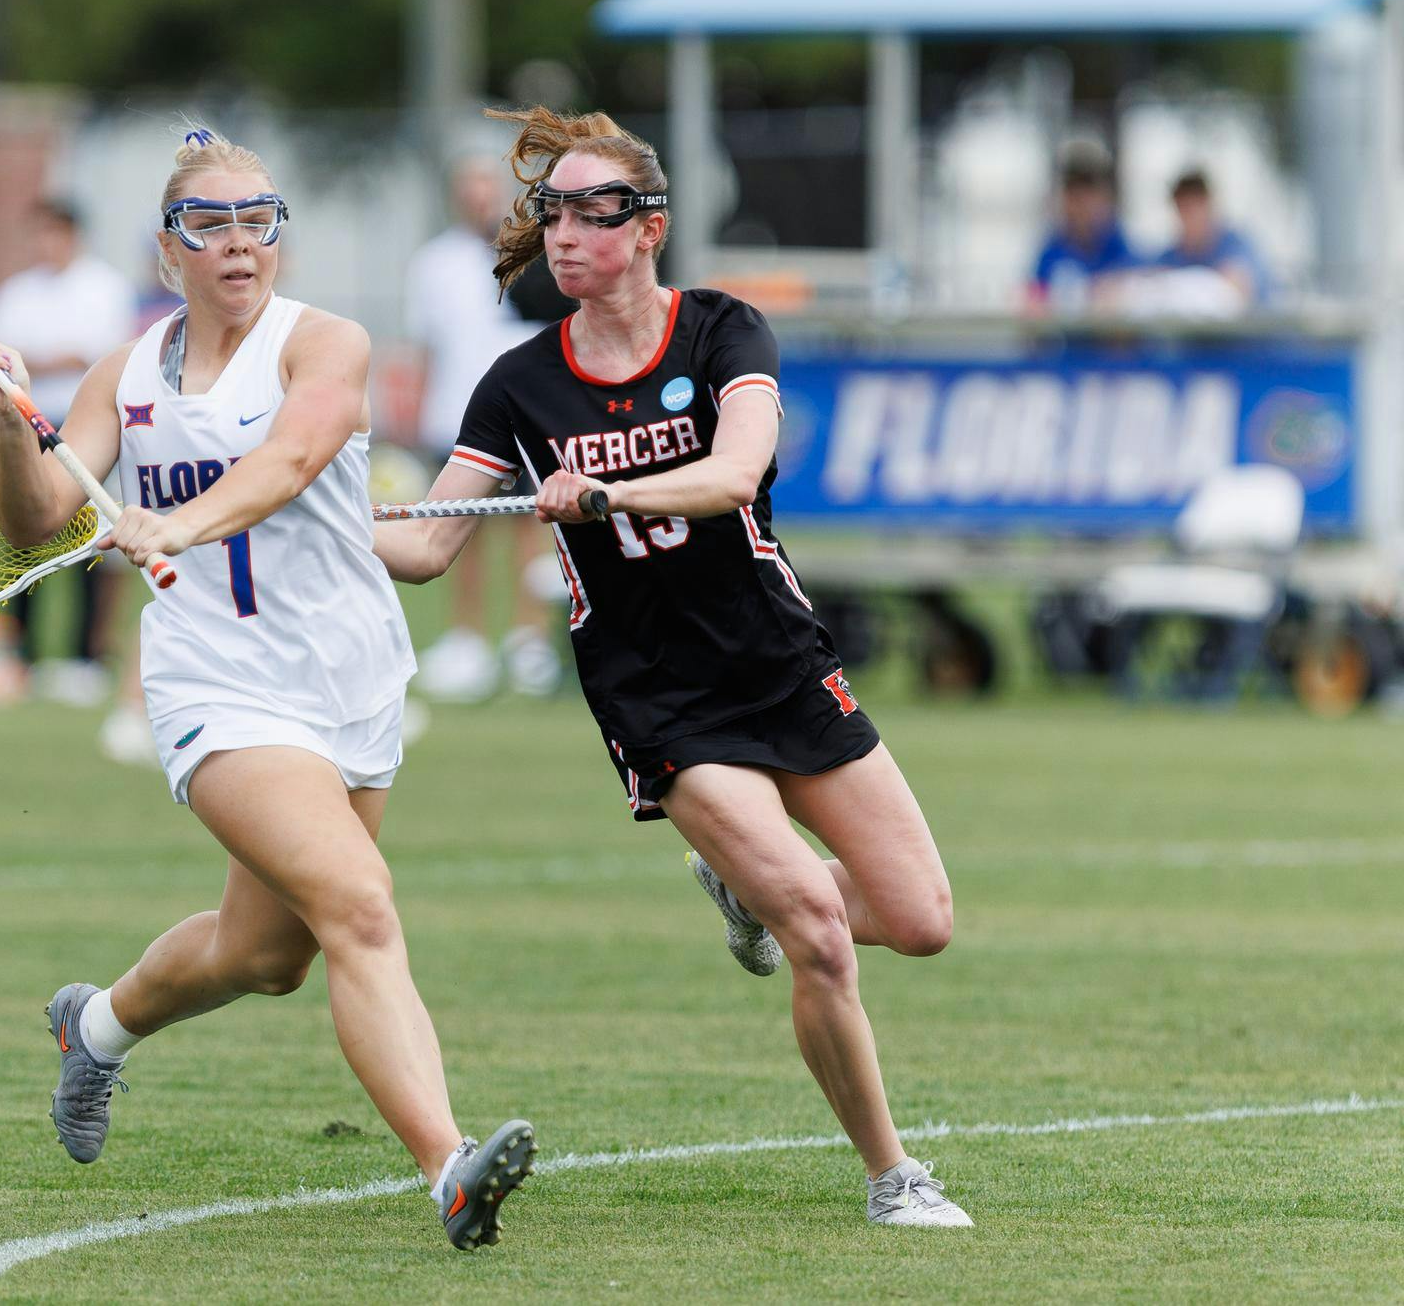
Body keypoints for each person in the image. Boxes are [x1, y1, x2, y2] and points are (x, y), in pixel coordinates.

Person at [372, 106, 973, 1229]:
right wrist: (310, 517)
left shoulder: (719, 331)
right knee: (816, 926)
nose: (561, 233)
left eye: (590, 212)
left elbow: (735, 473)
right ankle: (891, 1174)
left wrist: (604, 494)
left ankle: (738, 889)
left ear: (646, 228)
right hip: (659, 697)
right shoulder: (518, 384)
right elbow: (422, 546)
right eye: (549, 212)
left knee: (920, 914)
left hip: (775, 661)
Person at [0, 126, 534, 1251]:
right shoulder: (123, 374)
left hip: (349, 677)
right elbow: (31, 525)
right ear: (167, 248)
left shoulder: (325, 345)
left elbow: (295, 458)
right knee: (360, 903)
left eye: (259, 219)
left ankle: (98, 1028)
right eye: (209, 224)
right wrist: (5, 415)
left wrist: (180, 516)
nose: (238, 243)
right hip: (214, 682)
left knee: (265, 954)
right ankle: (447, 1169)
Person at [402, 157, 559, 701]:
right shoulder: (434, 263)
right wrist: (414, 418)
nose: (479, 197)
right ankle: (466, 641)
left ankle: (528, 640)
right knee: (459, 530)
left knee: (532, 525)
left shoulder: (539, 251)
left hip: (529, 414)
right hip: (455, 417)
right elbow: (424, 346)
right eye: (468, 187)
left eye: (486, 187)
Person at [0, 198, 136, 706]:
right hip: (26, 420)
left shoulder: (104, 287)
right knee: (22, 537)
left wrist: (35, 361)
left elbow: (98, 355)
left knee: (86, 538)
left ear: (72, 235)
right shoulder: (17, 291)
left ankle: (82, 657)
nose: (43, 245)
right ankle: (21, 653)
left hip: (86, 424)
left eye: (53, 234)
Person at [1029, 141, 1136, 312]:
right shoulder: (1053, 246)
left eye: (1087, 194)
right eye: (1074, 194)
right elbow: (1033, 300)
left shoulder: (1119, 245)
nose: (1081, 205)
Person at [1151, 169, 1268, 311]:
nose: (1189, 218)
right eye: (1183, 209)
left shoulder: (1235, 244)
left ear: (1208, 206)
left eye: (1193, 208)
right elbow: (1152, 283)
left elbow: (1239, 285)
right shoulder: (1171, 255)